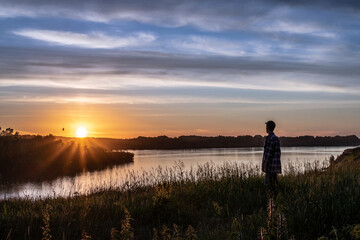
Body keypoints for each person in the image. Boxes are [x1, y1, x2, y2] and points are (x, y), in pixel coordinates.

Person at [262, 120, 281, 195]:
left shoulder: (269, 138)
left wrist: (265, 164)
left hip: (270, 167)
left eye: (266, 126)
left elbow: (269, 153)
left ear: (267, 127)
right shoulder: (276, 138)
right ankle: (276, 200)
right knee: (274, 185)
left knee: (268, 186)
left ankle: (270, 201)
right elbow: (278, 153)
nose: (265, 128)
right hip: (275, 166)